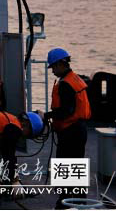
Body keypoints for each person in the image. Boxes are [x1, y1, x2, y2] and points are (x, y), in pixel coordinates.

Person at [44, 48, 91, 209]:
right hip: (79, 129)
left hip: (71, 131)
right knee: (75, 165)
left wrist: (46, 115)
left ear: (59, 64)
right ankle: (78, 200)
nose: (52, 71)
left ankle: (65, 202)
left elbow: (66, 111)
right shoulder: (74, 79)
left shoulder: (65, 84)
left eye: (53, 67)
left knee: (65, 165)